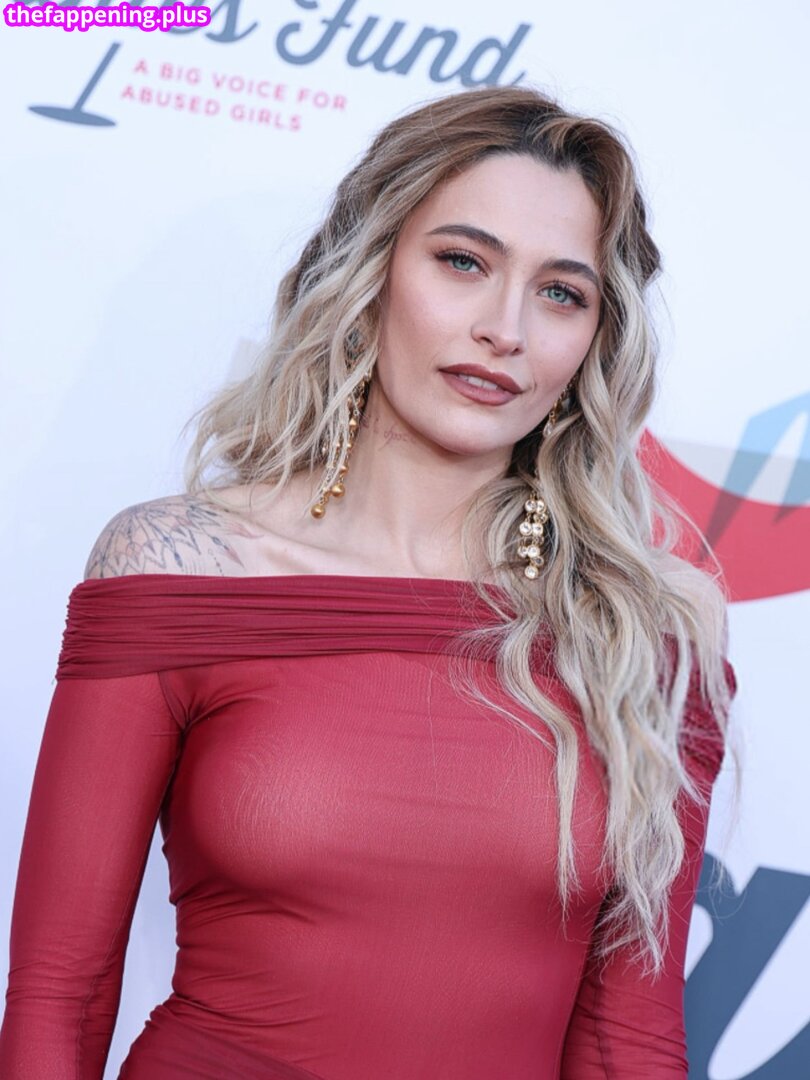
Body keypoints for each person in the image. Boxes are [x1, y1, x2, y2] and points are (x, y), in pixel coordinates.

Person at [0, 85, 737, 1079]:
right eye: (463, 262)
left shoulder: (649, 623)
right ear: (370, 270)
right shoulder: (181, 567)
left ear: (594, 342)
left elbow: (628, 1039)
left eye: (562, 292)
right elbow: (62, 993)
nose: (506, 328)